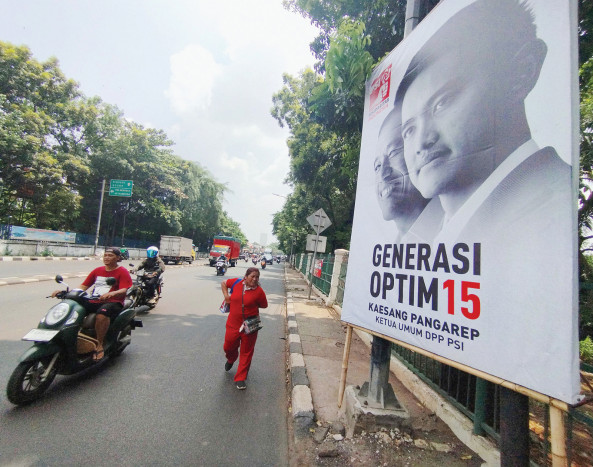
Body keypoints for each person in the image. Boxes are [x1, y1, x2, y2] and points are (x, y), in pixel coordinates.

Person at [394, 0, 571, 242]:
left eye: (442, 103)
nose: (421, 142)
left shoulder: (552, 207)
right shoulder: (429, 232)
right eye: (409, 130)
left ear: (522, 73)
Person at [374, 107, 441, 243]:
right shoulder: (393, 247)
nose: (382, 173)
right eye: (377, 166)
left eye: (393, 152)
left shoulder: (449, 228)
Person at [53, 247, 132, 361]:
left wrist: (113, 293)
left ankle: (99, 344)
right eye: (105, 255)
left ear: (118, 258)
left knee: (102, 314)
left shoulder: (122, 271)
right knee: (73, 305)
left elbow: (124, 290)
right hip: (95, 300)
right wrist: (65, 292)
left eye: (110, 256)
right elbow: (82, 287)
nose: (107, 258)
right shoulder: (97, 270)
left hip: (113, 302)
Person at [221, 267, 268, 390]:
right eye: (252, 276)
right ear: (245, 276)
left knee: (246, 352)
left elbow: (264, 305)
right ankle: (231, 359)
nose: (255, 279)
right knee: (228, 346)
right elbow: (224, 283)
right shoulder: (236, 283)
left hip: (250, 325)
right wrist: (226, 296)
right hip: (233, 324)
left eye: (257, 277)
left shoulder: (259, 291)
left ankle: (240, 378)